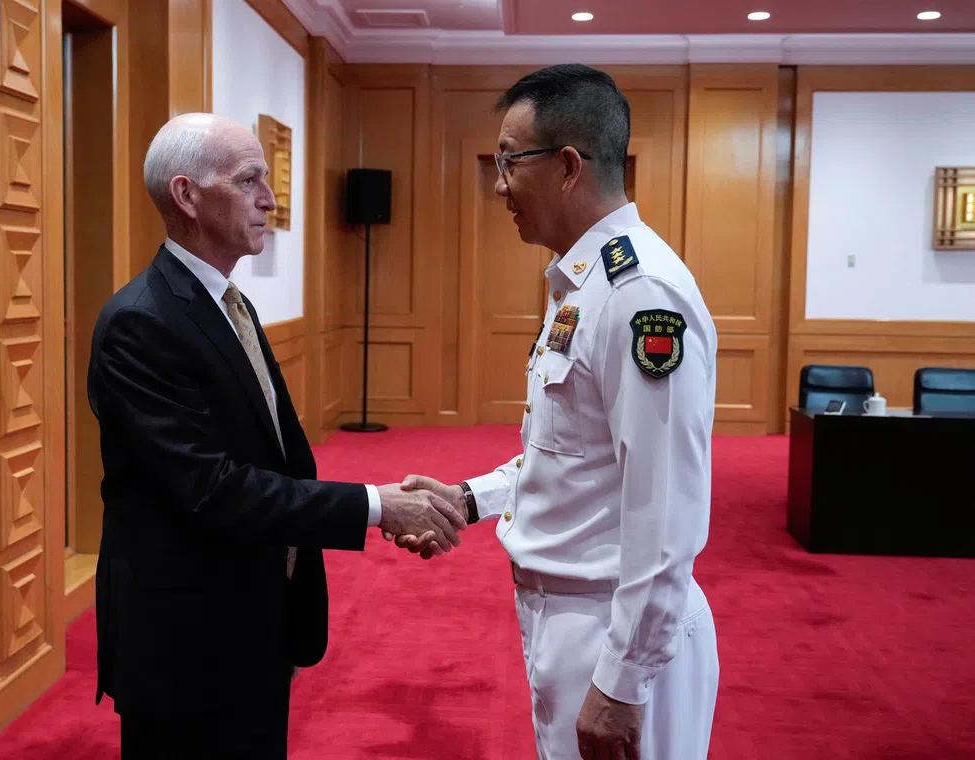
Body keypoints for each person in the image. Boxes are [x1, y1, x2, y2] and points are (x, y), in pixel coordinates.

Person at [87, 112, 466, 759]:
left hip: (252, 617)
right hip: (186, 642)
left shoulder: (226, 302)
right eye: (249, 180)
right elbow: (211, 489)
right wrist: (376, 507)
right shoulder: (139, 324)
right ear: (186, 195)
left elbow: (279, 454)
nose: (270, 197)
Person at [389, 64, 720, 760]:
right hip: (570, 616)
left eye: (510, 161)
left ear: (568, 166)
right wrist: (466, 498)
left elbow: (667, 507)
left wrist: (625, 680)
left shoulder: (639, 294)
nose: (499, 184)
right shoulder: (580, 282)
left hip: (615, 629)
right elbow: (566, 450)